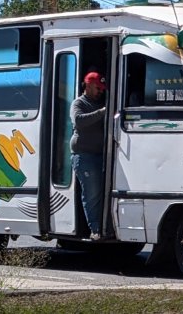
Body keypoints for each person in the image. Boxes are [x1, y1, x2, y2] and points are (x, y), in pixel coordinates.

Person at [70, 71, 106, 240]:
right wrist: (103, 112)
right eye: (98, 88)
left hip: (98, 154)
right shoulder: (79, 103)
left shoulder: (97, 102)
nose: (100, 91)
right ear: (89, 85)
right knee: (92, 193)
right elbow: (79, 121)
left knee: (99, 192)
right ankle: (95, 230)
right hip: (84, 156)